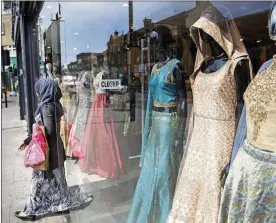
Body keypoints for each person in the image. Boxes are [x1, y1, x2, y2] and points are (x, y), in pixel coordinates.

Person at [15, 78, 87, 221]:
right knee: (59, 180)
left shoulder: (47, 106)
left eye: (38, 90)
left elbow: (48, 130)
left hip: (48, 152)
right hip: (56, 150)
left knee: (38, 182)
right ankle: (62, 207)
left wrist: (33, 136)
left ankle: (31, 212)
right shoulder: (56, 104)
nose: (37, 94)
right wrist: (27, 140)